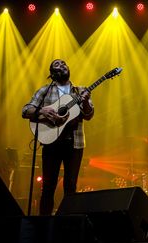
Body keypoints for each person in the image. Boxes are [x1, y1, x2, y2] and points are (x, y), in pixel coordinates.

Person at [22, 59, 94, 215]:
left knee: (70, 186)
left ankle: (68, 225)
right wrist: (43, 111)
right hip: (51, 143)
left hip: (74, 143)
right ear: (52, 73)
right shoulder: (45, 91)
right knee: (48, 186)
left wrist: (87, 100)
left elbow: (88, 115)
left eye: (64, 64)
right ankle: (44, 225)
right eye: (57, 65)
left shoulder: (79, 91)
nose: (62, 66)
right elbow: (25, 110)